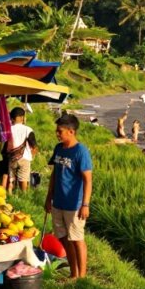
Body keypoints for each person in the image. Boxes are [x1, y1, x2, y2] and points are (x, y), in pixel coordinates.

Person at [45, 114, 94, 279]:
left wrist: (85, 204)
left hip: (74, 205)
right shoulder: (58, 148)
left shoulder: (81, 151)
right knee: (64, 239)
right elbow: (55, 174)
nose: (57, 134)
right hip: (58, 202)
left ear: (71, 131)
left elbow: (88, 179)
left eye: (60, 131)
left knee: (77, 240)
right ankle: (74, 274)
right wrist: (48, 197)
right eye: (57, 131)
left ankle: (82, 277)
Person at [6, 107, 38, 194]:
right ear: (22, 117)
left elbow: (5, 145)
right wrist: (32, 156)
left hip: (12, 157)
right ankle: (24, 195)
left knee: (11, 178)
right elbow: (34, 146)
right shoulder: (28, 129)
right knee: (23, 179)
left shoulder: (8, 129)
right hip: (25, 158)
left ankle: (10, 195)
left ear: (12, 118)